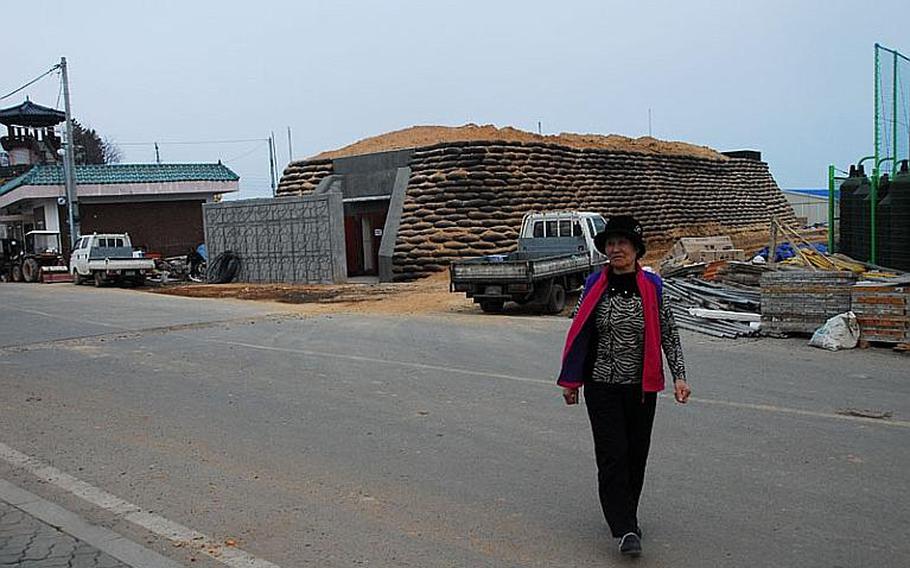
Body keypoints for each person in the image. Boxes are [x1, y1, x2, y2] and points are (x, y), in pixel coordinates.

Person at [557, 214, 690, 558]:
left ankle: (626, 513)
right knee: (612, 455)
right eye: (611, 244)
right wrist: (571, 381)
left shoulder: (653, 287)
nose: (615, 249)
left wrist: (679, 376)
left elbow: (669, 333)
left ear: (635, 249)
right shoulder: (593, 285)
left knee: (635, 455)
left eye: (622, 244)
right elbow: (580, 332)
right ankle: (625, 527)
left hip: (641, 388)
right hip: (601, 385)